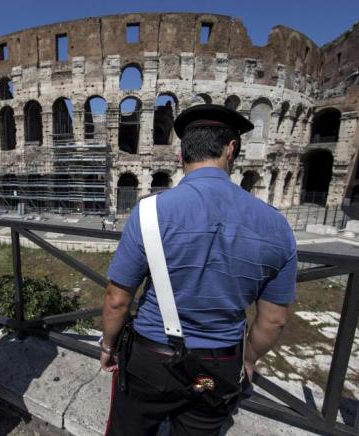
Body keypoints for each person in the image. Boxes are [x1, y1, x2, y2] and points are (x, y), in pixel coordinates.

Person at [100, 104, 297, 435]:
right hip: (219, 364)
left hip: (152, 355)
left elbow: (117, 299)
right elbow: (274, 320)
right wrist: (247, 360)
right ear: (231, 149)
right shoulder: (277, 226)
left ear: (181, 154)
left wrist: (108, 345)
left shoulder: (149, 212)